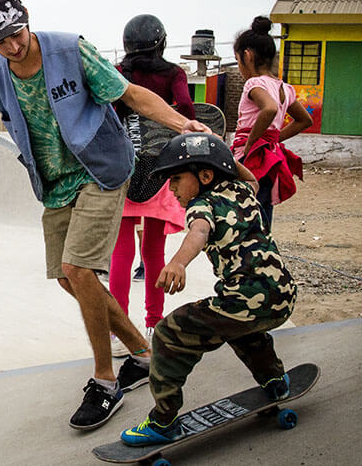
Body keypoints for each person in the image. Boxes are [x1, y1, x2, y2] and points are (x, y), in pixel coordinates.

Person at [0, 0, 209, 430]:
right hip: (54, 184)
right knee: (67, 279)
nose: (12, 46)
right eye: (0, 41)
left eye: (16, 33)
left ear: (27, 17)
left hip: (103, 169)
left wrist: (181, 122)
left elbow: (129, 94)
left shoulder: (71, 50)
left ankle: (105, 380)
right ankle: (143, 352)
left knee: (79, 268)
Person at [119, 133, 296, 446]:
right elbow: (251, 176)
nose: (171, 189)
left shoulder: (201, 206)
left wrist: (177, 262)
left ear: (205, 175)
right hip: (282, 295)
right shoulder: (244, 190)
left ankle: (164, 421)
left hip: (244, 301)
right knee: (243, 331)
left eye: (175, 179)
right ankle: (274, 381)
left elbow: (199, 232)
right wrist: (219, 149)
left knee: (168, 334)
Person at [109, 14, 197, 356]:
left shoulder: (119, 72)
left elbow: (109, 109)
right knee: (154, 251)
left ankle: (118, 335)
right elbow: (187, 108)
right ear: (161, 42)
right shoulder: (174, 73)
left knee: (120, 252)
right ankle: (154, 324)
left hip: (123, 169)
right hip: (160, 169)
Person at [230, 17, 313, 229]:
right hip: (271, 156)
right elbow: (304, 120)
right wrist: (273, 138)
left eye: (238, 61)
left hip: (252, 157)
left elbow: (269, 108)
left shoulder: (254, 83)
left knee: (245, 208)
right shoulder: (283, 88)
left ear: (247, 56)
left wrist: (251, 142)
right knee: (263, 209)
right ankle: (263, 252)